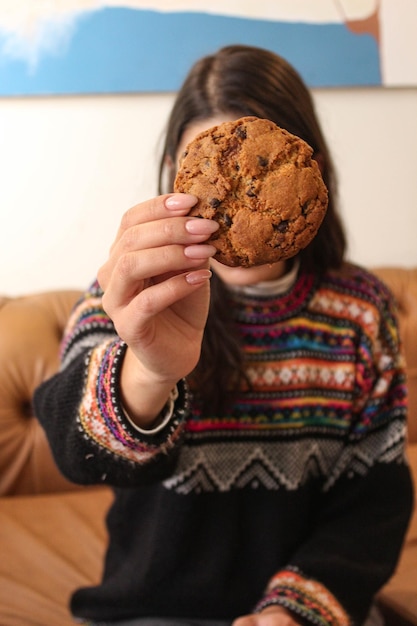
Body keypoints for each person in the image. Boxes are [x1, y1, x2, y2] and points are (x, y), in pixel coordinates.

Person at [34, 45, 413, 626]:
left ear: (310, 171)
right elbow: (75, 452)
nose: (236, 210)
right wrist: (150, 370)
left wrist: (295, 610)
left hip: (309, 609)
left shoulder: (360, 310)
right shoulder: (129, 296)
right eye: (217, 188)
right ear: (174, 178)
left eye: (263, 178)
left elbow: (374, 499)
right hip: (156, 610)